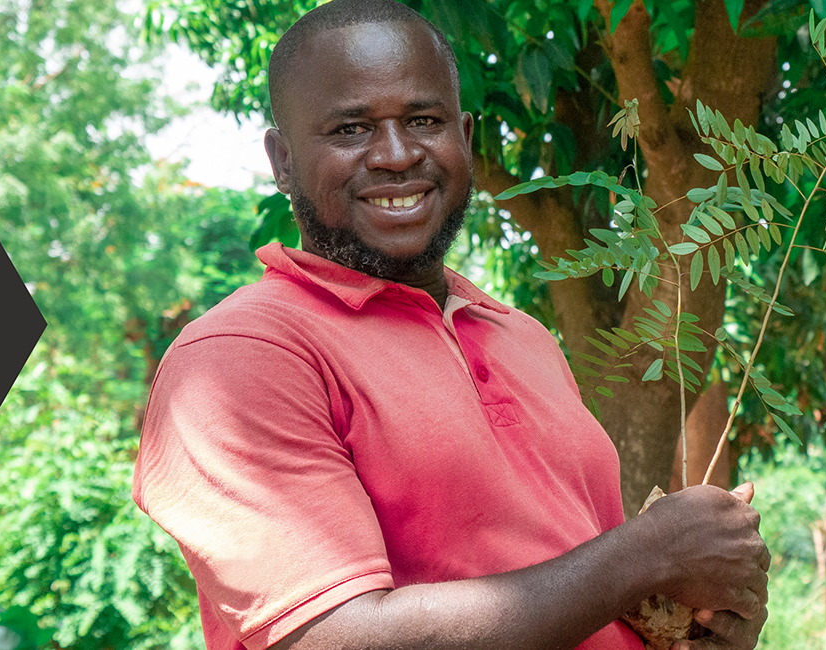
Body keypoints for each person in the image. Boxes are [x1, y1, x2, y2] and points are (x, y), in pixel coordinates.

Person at [129, 2, 771, 649]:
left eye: (424, 120)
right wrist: (648, 554)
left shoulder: (523, 337)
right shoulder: (239, 358)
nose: (397, 154)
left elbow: (588, 599)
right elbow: (339, 640)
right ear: (283, 159)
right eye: (351, 129)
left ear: (463, 135)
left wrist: (695, 626)